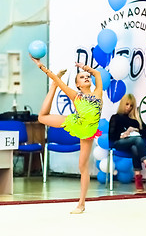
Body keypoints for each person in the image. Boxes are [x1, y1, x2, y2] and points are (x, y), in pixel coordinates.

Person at [30, 55, 103, 213]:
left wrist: (85, 68)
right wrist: (40, 66)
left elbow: (97, 74)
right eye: (82, 77)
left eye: (87, 77)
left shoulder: (98, 93)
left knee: (83, 167)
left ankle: (81, 204)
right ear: (77, 84)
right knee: (41, 117)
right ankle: (52, 89)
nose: (86, 78)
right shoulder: (75, 96)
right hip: (75, 121)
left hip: (87, 131)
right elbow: (57, 79)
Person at [109, 93, 146, 192]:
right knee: (137, 140)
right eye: (127, 104)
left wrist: (136, 130)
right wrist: (122, 135)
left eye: (131, 105)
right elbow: (111, 137)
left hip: (133, 145)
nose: (129, 107)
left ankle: (138, 180)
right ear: (122, 104)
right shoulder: (115, 117)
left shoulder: (135, 120)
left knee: (135, 147)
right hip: (119, 143)